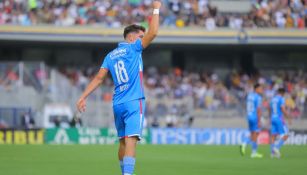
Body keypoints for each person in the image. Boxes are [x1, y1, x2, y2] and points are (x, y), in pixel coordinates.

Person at [76, 1, 161, 175]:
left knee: (122, 141)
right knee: (131, 140)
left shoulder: (110, 55)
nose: (142, 39)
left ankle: (124, 173)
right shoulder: (134, 48)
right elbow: (154, 32)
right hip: (133, 101)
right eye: (140, 36)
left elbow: (99, 78)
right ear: (131, 38)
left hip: (118, 104)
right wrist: (156, 8)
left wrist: (83, 96)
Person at [240, 83, 264, 158]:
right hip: (254, 116)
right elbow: (258, 110)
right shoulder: (258, 97)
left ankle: (252, 151)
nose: (261, 90)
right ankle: (247, 146)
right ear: (256, 89)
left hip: (249, 116)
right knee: (255, 134)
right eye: (260, 89)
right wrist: (259, 120)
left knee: (253, 133)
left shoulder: (250, 96)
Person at [269, 88, 291, 158]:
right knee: (286, 134)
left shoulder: (272, 99)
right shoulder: (281, 99)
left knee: (273, 135)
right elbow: (283, 109)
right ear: (283, 93)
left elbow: (269, 108)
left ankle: (272, 153)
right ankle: (276, 148)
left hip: (273, 118)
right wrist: (288, 117)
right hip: (279, 118)